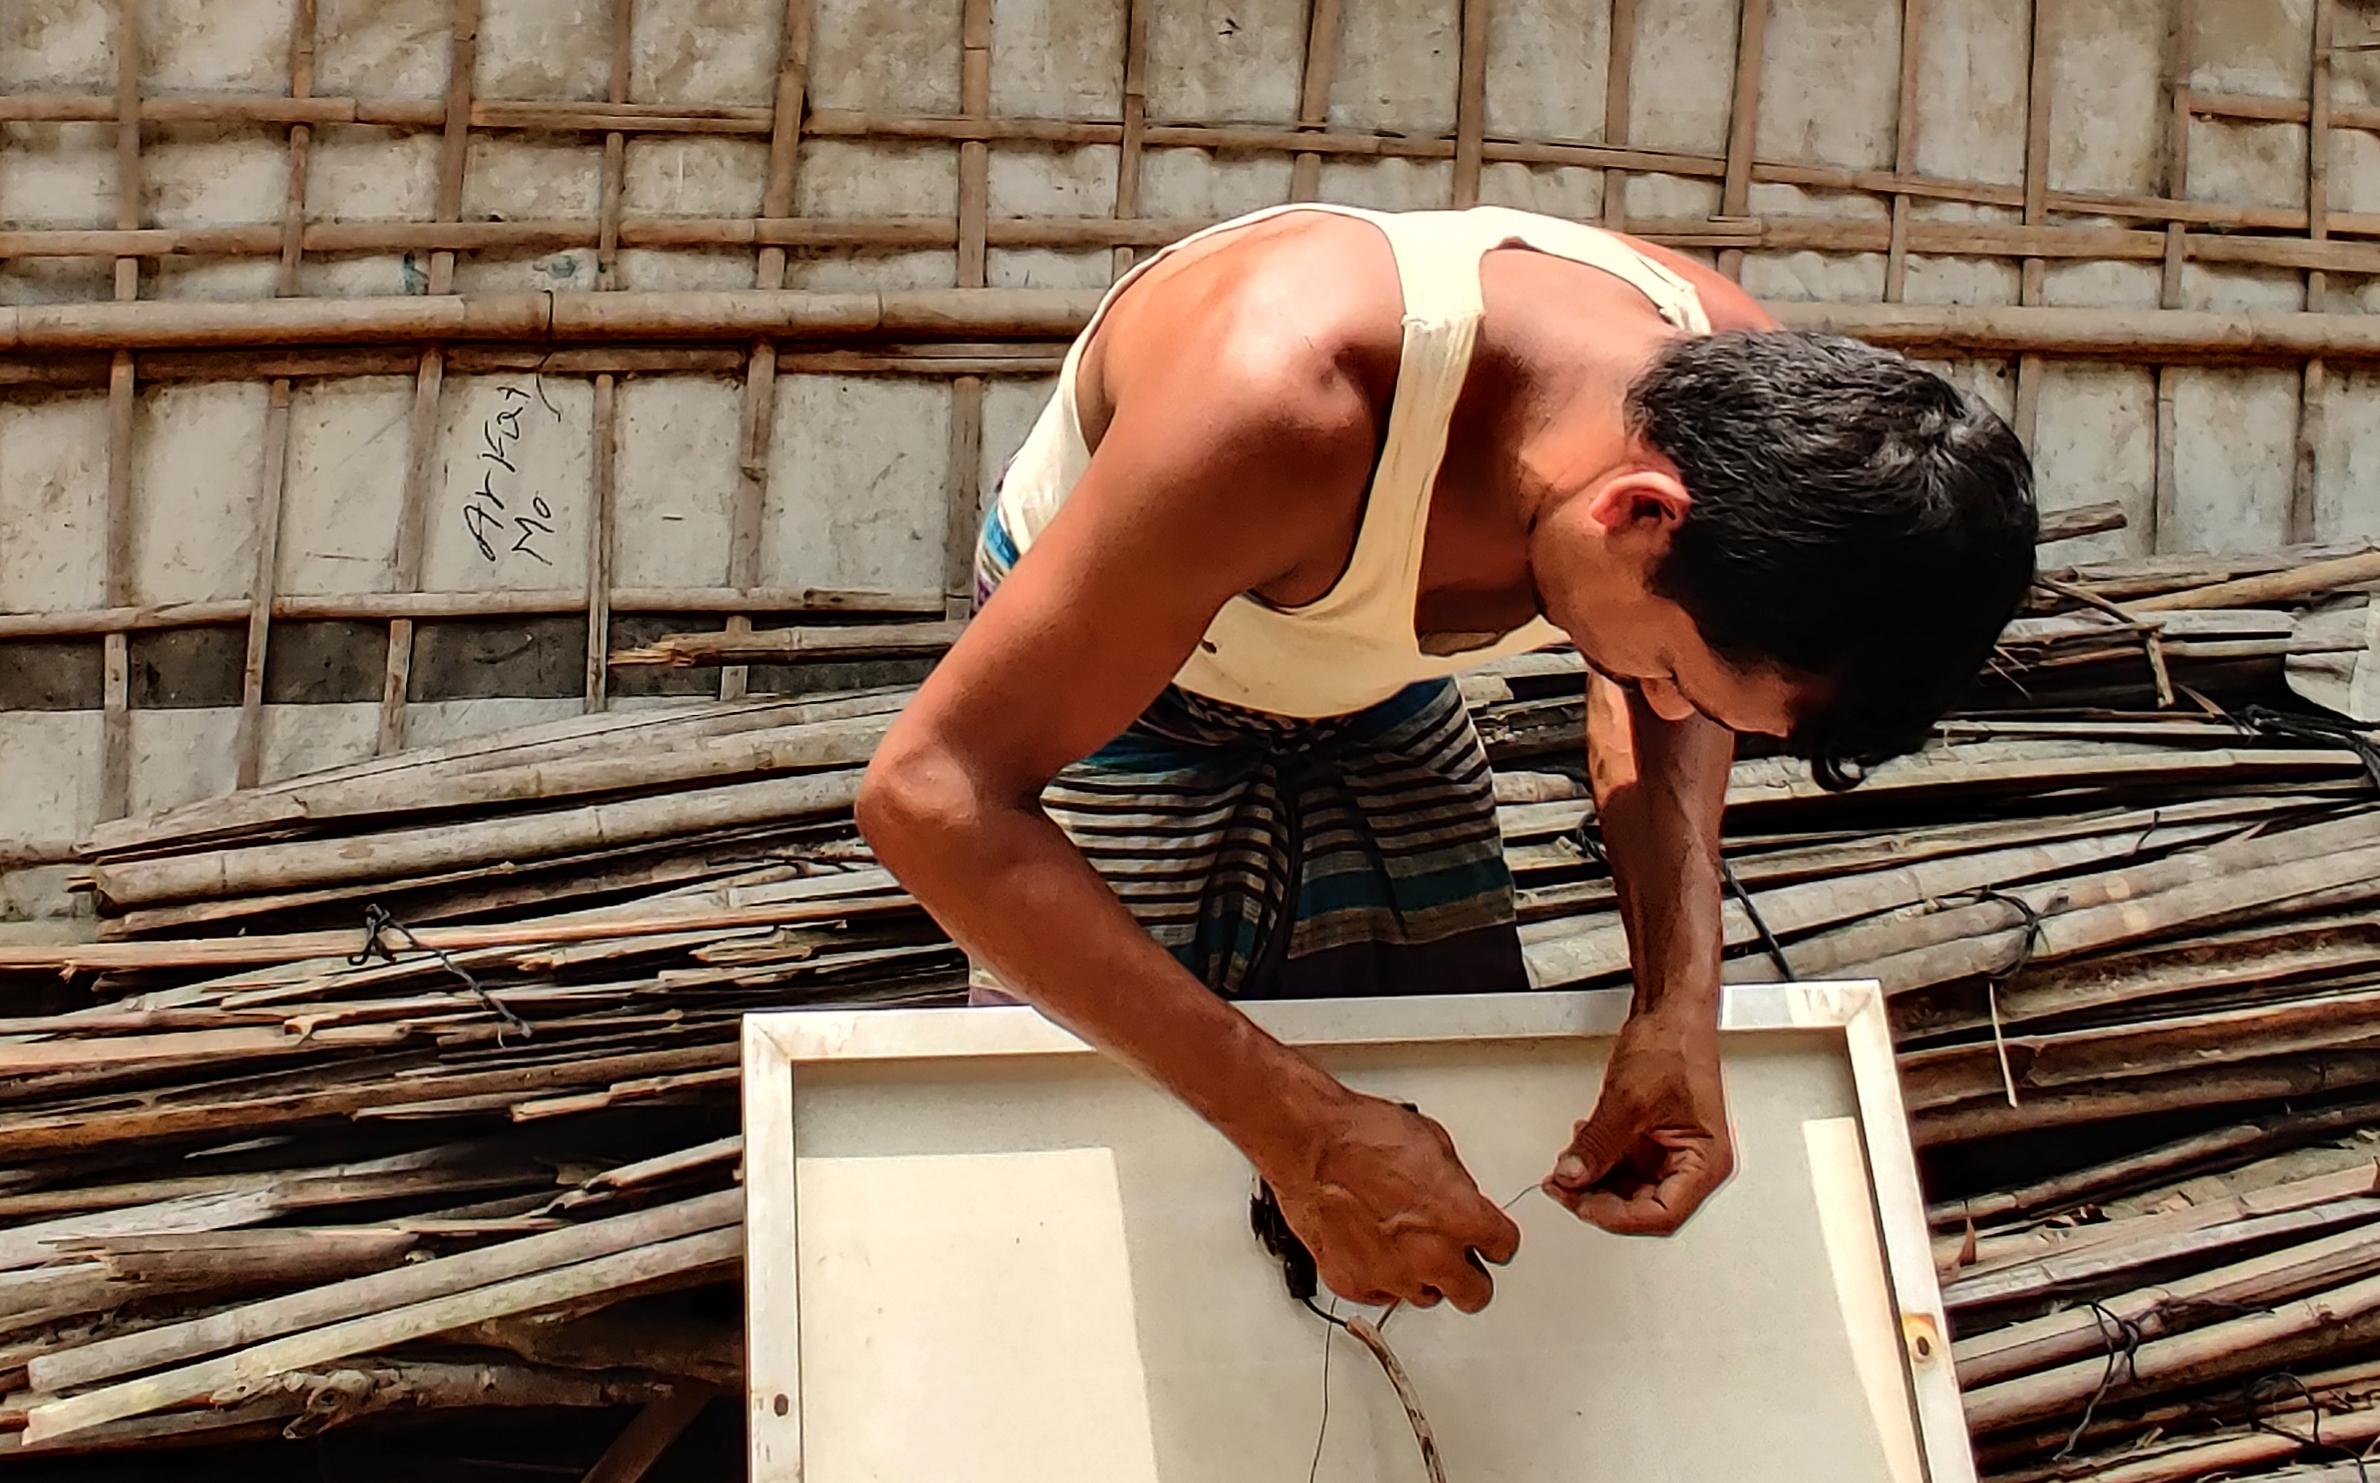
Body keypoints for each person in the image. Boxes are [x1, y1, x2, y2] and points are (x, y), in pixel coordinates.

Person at [855, 202, 2035, 1317]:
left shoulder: (1757, 420)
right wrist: (1300, 1134)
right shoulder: (1280, 400)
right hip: (1126, 681)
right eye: (1666, 674)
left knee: (1444, 1095)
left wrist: (1679, 1007)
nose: (1665, 703)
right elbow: (933, 793)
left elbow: (1689, 705)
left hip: (1373, 679)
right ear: (1635, 514)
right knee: (1106, 1170)